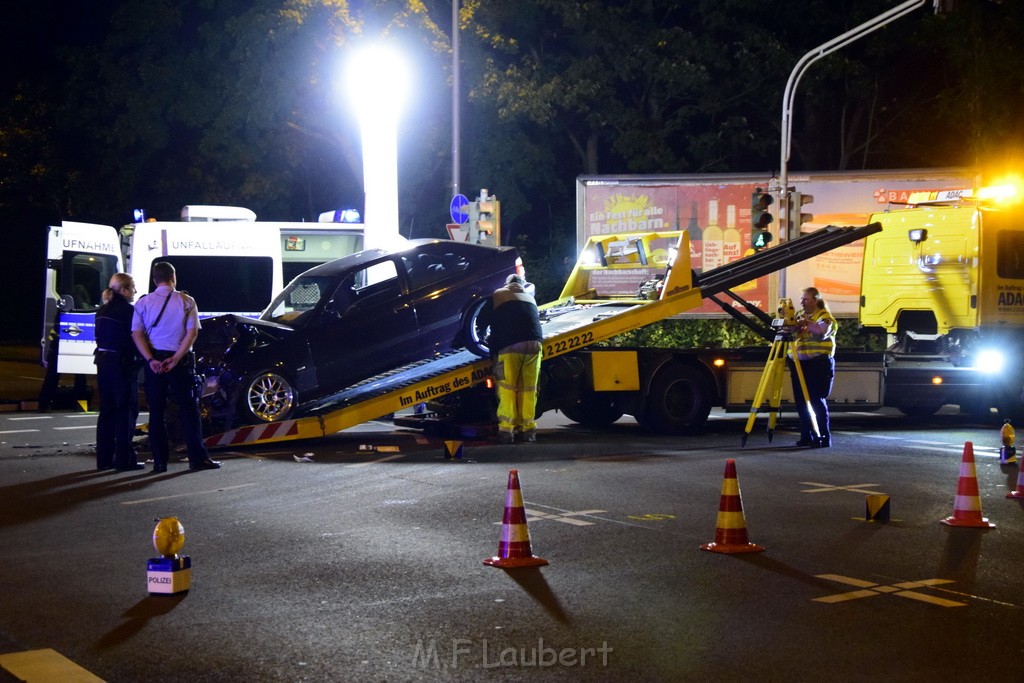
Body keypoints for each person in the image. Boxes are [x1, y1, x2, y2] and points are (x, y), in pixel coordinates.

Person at [132, 261, 221, 473]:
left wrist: (151, 360)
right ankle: (197, 459)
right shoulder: (187, 301)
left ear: (154, 280)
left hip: (154, 363)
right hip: (180, 362)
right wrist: (176, 358)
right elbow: (192, 334)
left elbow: (136, 334)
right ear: (174, 278)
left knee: (156, 412)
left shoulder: (143, 303)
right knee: (189, 411)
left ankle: (160, 462)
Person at [480, 274, 543, 443]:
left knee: (508, 388)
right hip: (534, 344)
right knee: (528, 389)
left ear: (506, 284)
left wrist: (483, 339)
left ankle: (507, 431)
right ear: (522, 285)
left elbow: (481, 320)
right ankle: (528, 430)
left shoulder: (498, 294)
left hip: (510, 345)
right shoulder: (530, 297)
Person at [94, 274, 144, 471]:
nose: (135, 292)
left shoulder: (102, 310)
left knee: (106, 412)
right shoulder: (129, 311)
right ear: (123, 290)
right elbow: (135, 339)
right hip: (122, 366)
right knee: (126, 412)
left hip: (103, 363)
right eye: (132, 287)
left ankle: (104, 460)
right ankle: (124, 460)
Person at [787, 287, 837, 448]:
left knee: (816, 400)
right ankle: (806, 436)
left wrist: (806, 323)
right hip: (800, 364)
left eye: (806, 299)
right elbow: (790, 329)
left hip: (818, 364)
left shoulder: (825, 316)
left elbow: (821, 330)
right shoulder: (800, 315)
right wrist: (790, 323)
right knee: (801, 402)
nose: (802, 302)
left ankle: (823, 436)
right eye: (801, 299)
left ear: (816, 300)